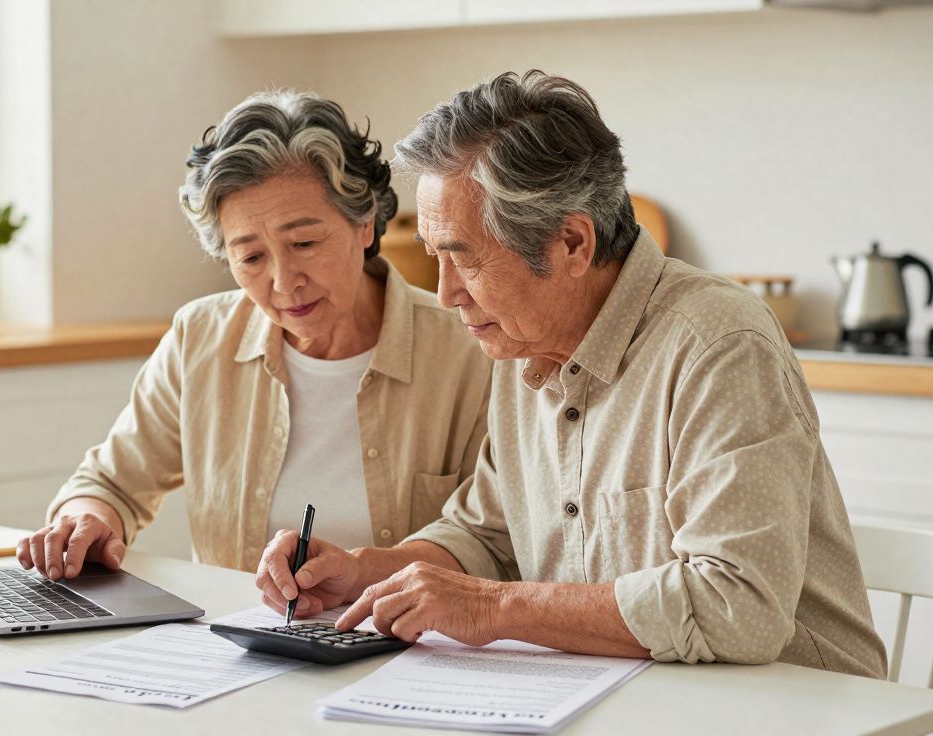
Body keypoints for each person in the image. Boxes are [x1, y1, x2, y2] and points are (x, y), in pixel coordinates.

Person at [255, 71, 888, 678]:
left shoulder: (718, 344)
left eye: (464, 260)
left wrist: (491, 607)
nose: (446, 295)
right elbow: (487, 535)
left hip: (796, 707)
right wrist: (368, 571)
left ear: (573, 244)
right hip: (625, 697)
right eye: (433, 258)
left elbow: (737, 608)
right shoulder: (521, 340)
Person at [16, 90, 493, 579]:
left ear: (365, 223)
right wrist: (83, 521)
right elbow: (111, 483)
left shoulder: (469, 349)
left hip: (409, 645)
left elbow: (494, 541)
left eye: (304, 243)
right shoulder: (199, 338)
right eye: (251, 257)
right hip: (238, 648)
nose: (285, 283)